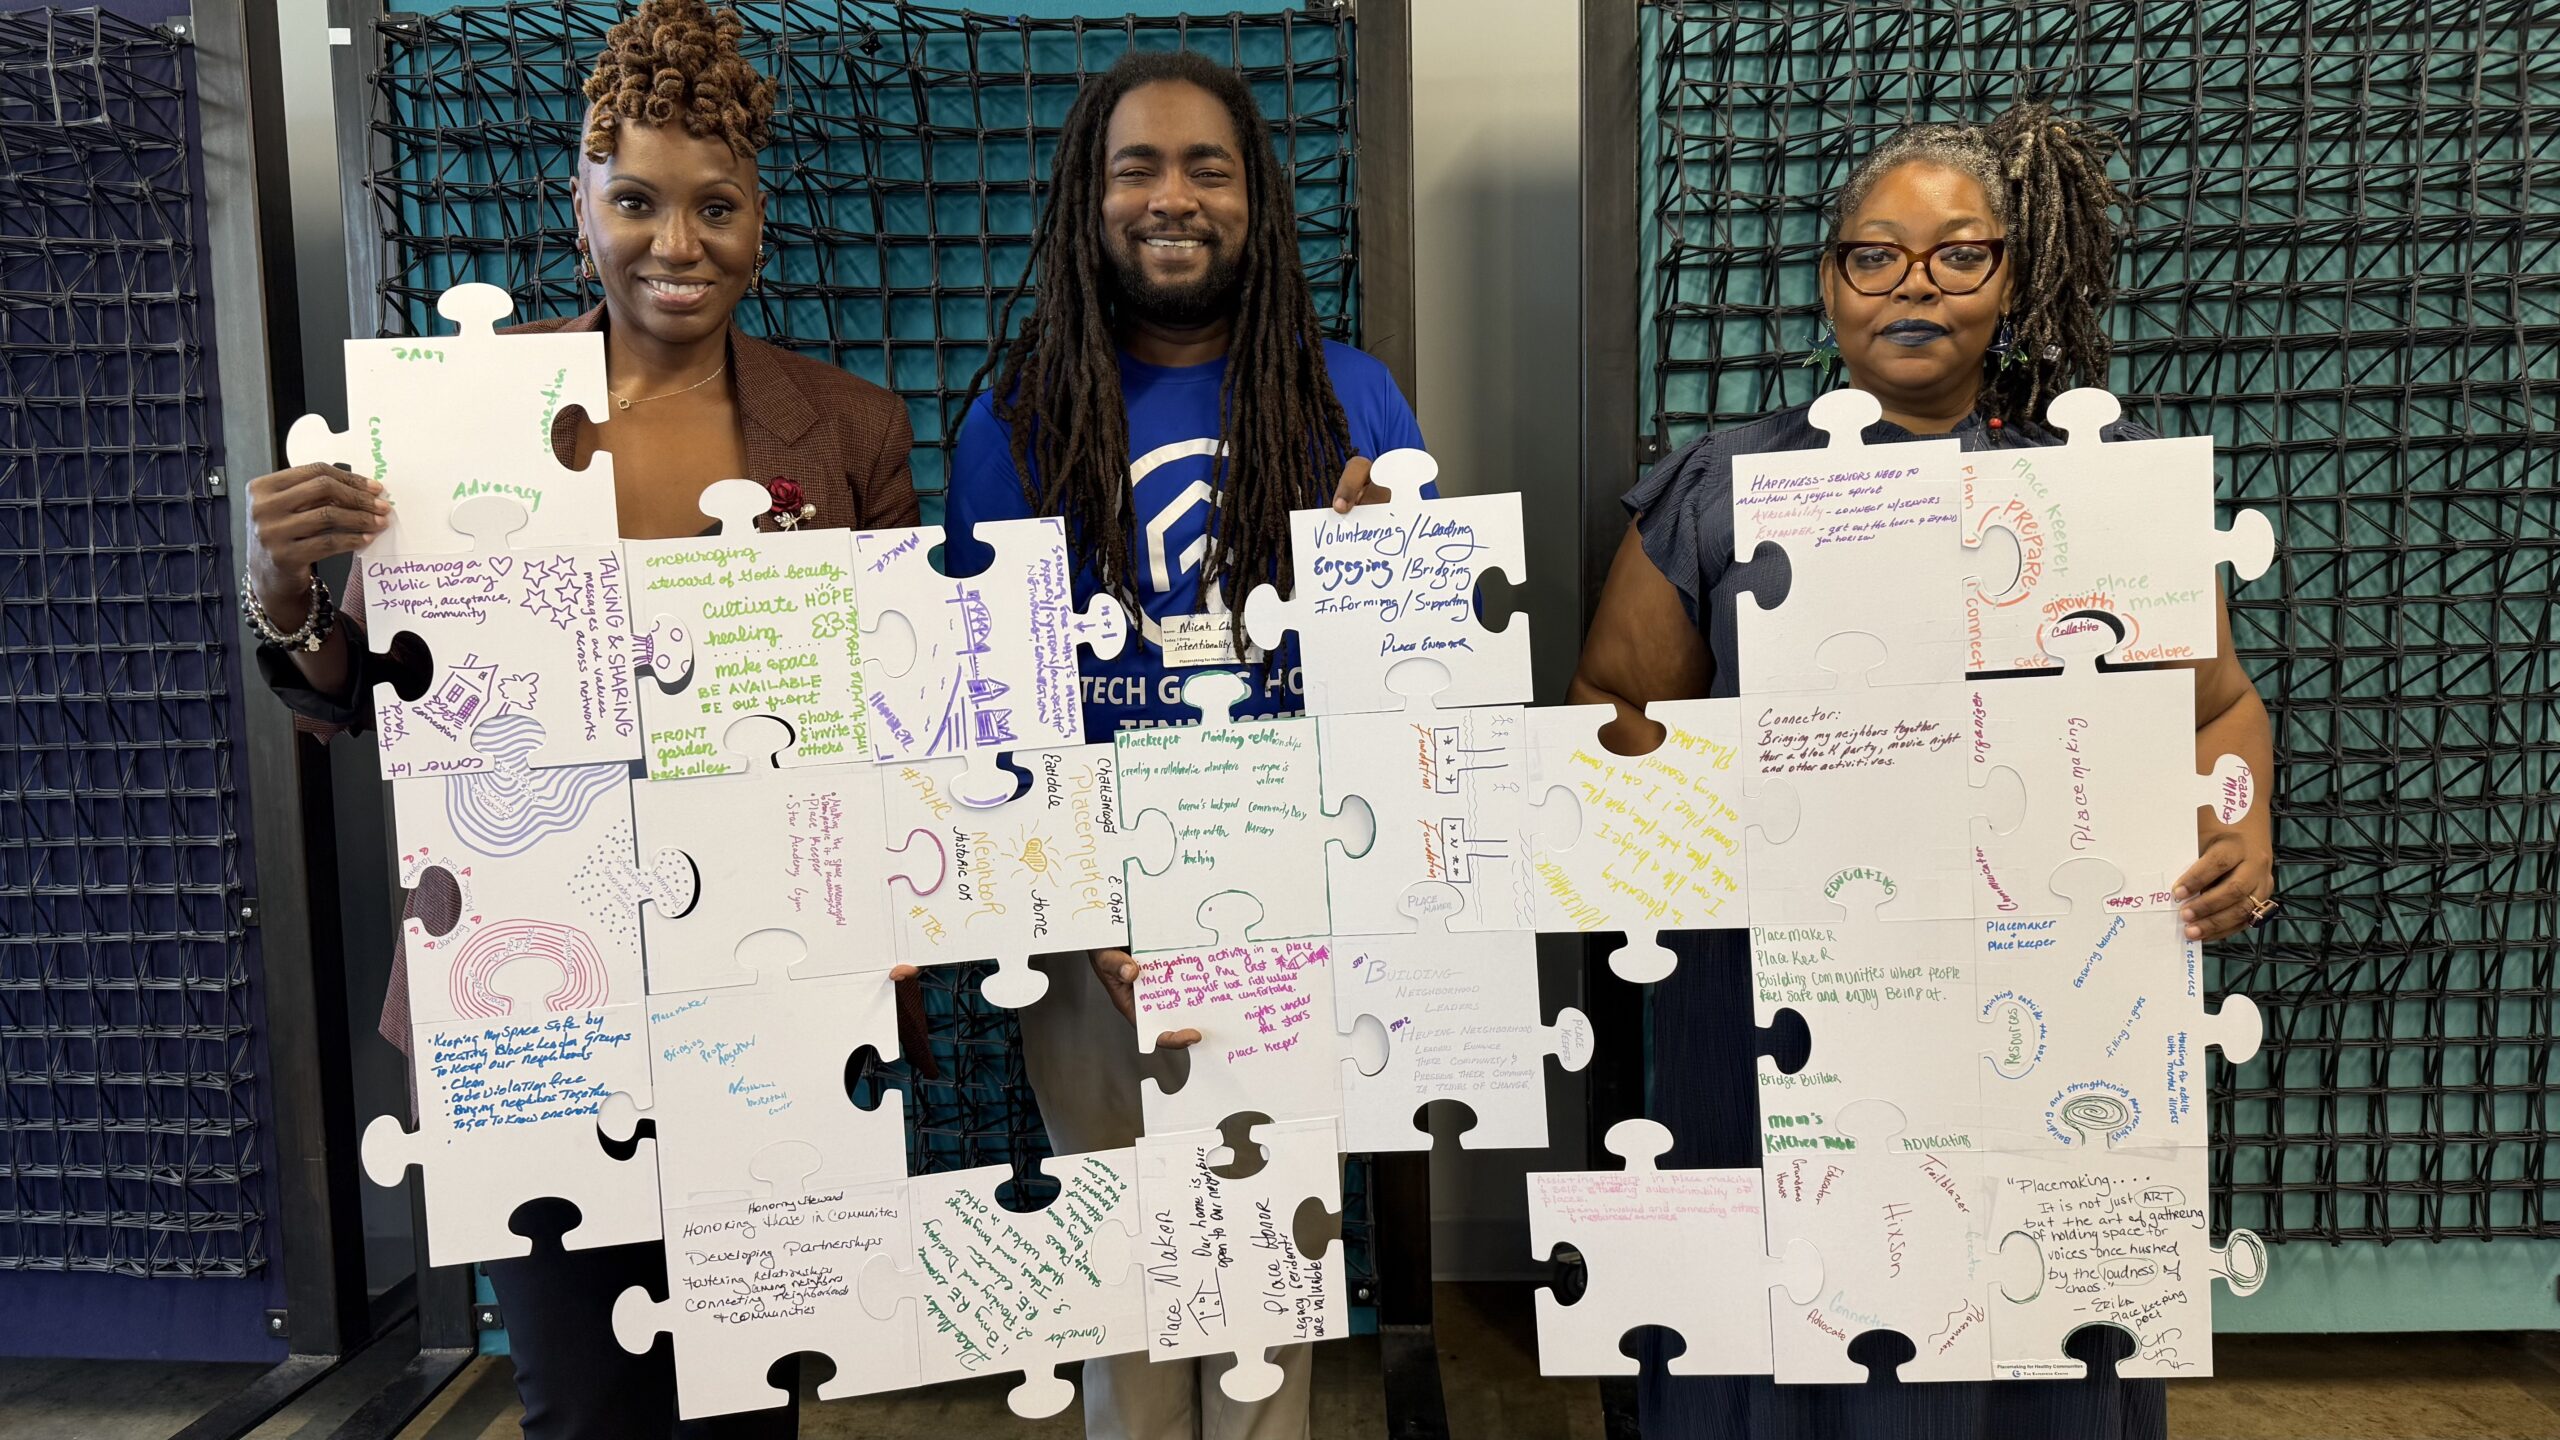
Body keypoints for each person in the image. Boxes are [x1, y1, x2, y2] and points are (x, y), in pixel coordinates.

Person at [240, 1, 916, 1434]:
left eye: (716, 206)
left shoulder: (849, 431)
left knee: (754, 1397)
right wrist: (287, 587)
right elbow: (363, 697)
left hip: (769, 978)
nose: (679, 244)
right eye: (639, 201)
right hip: (532, 986)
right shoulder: (463, 411)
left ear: (757, 214)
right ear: (580, 202)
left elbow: (896, 711)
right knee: (584, 1406)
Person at [1569, 105, 2277, 1439]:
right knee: (1783, 1313)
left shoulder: (2104, 484)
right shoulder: (1723, 486)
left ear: (2015, 278)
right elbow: (1610, 706)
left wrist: (2238, 825)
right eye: (1874, 256)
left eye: (1958, 256)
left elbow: (2222, 715)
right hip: (1779, 1000)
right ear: (1830, 281)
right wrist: (1736, 803)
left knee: (2020, 1320)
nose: (1914, 286)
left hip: (2044, 1003)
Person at [942, 47, 1427, 1440]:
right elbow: (996, 697)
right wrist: (1080, 896)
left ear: (1256, 199)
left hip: (1302, 904)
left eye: (1207, 165)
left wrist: (1386, 574)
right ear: (1087, 203)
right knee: (1129, 1286)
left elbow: (1417, 682)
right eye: (1136, 166)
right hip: (1097, 920)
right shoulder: (1018, 413)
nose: (1172, 195)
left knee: (1273, 1275)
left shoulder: (1358, 396)